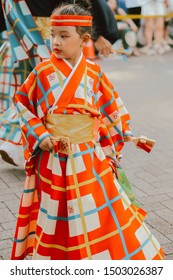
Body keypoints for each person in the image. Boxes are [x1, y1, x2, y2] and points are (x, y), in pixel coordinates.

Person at [11, 0, 164, 260]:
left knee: (99, 208)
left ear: (84, 40)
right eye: (52, 35)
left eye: (64, 36)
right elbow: (22, 103)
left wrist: (124, 133)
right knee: (56, 210)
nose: (55, 42)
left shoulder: (93, 72)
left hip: (88, 157)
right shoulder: (42, 72)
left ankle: (100, 257)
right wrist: (41, 135)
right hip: (54, 157)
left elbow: (111, 107)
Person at [0, 0, 119, 167]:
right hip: (48, 32)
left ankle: (18, 143)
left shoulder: (94, 70)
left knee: (45, 94)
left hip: (26, 32)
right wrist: (99, 33)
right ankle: (22, 143)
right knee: (40, 94)